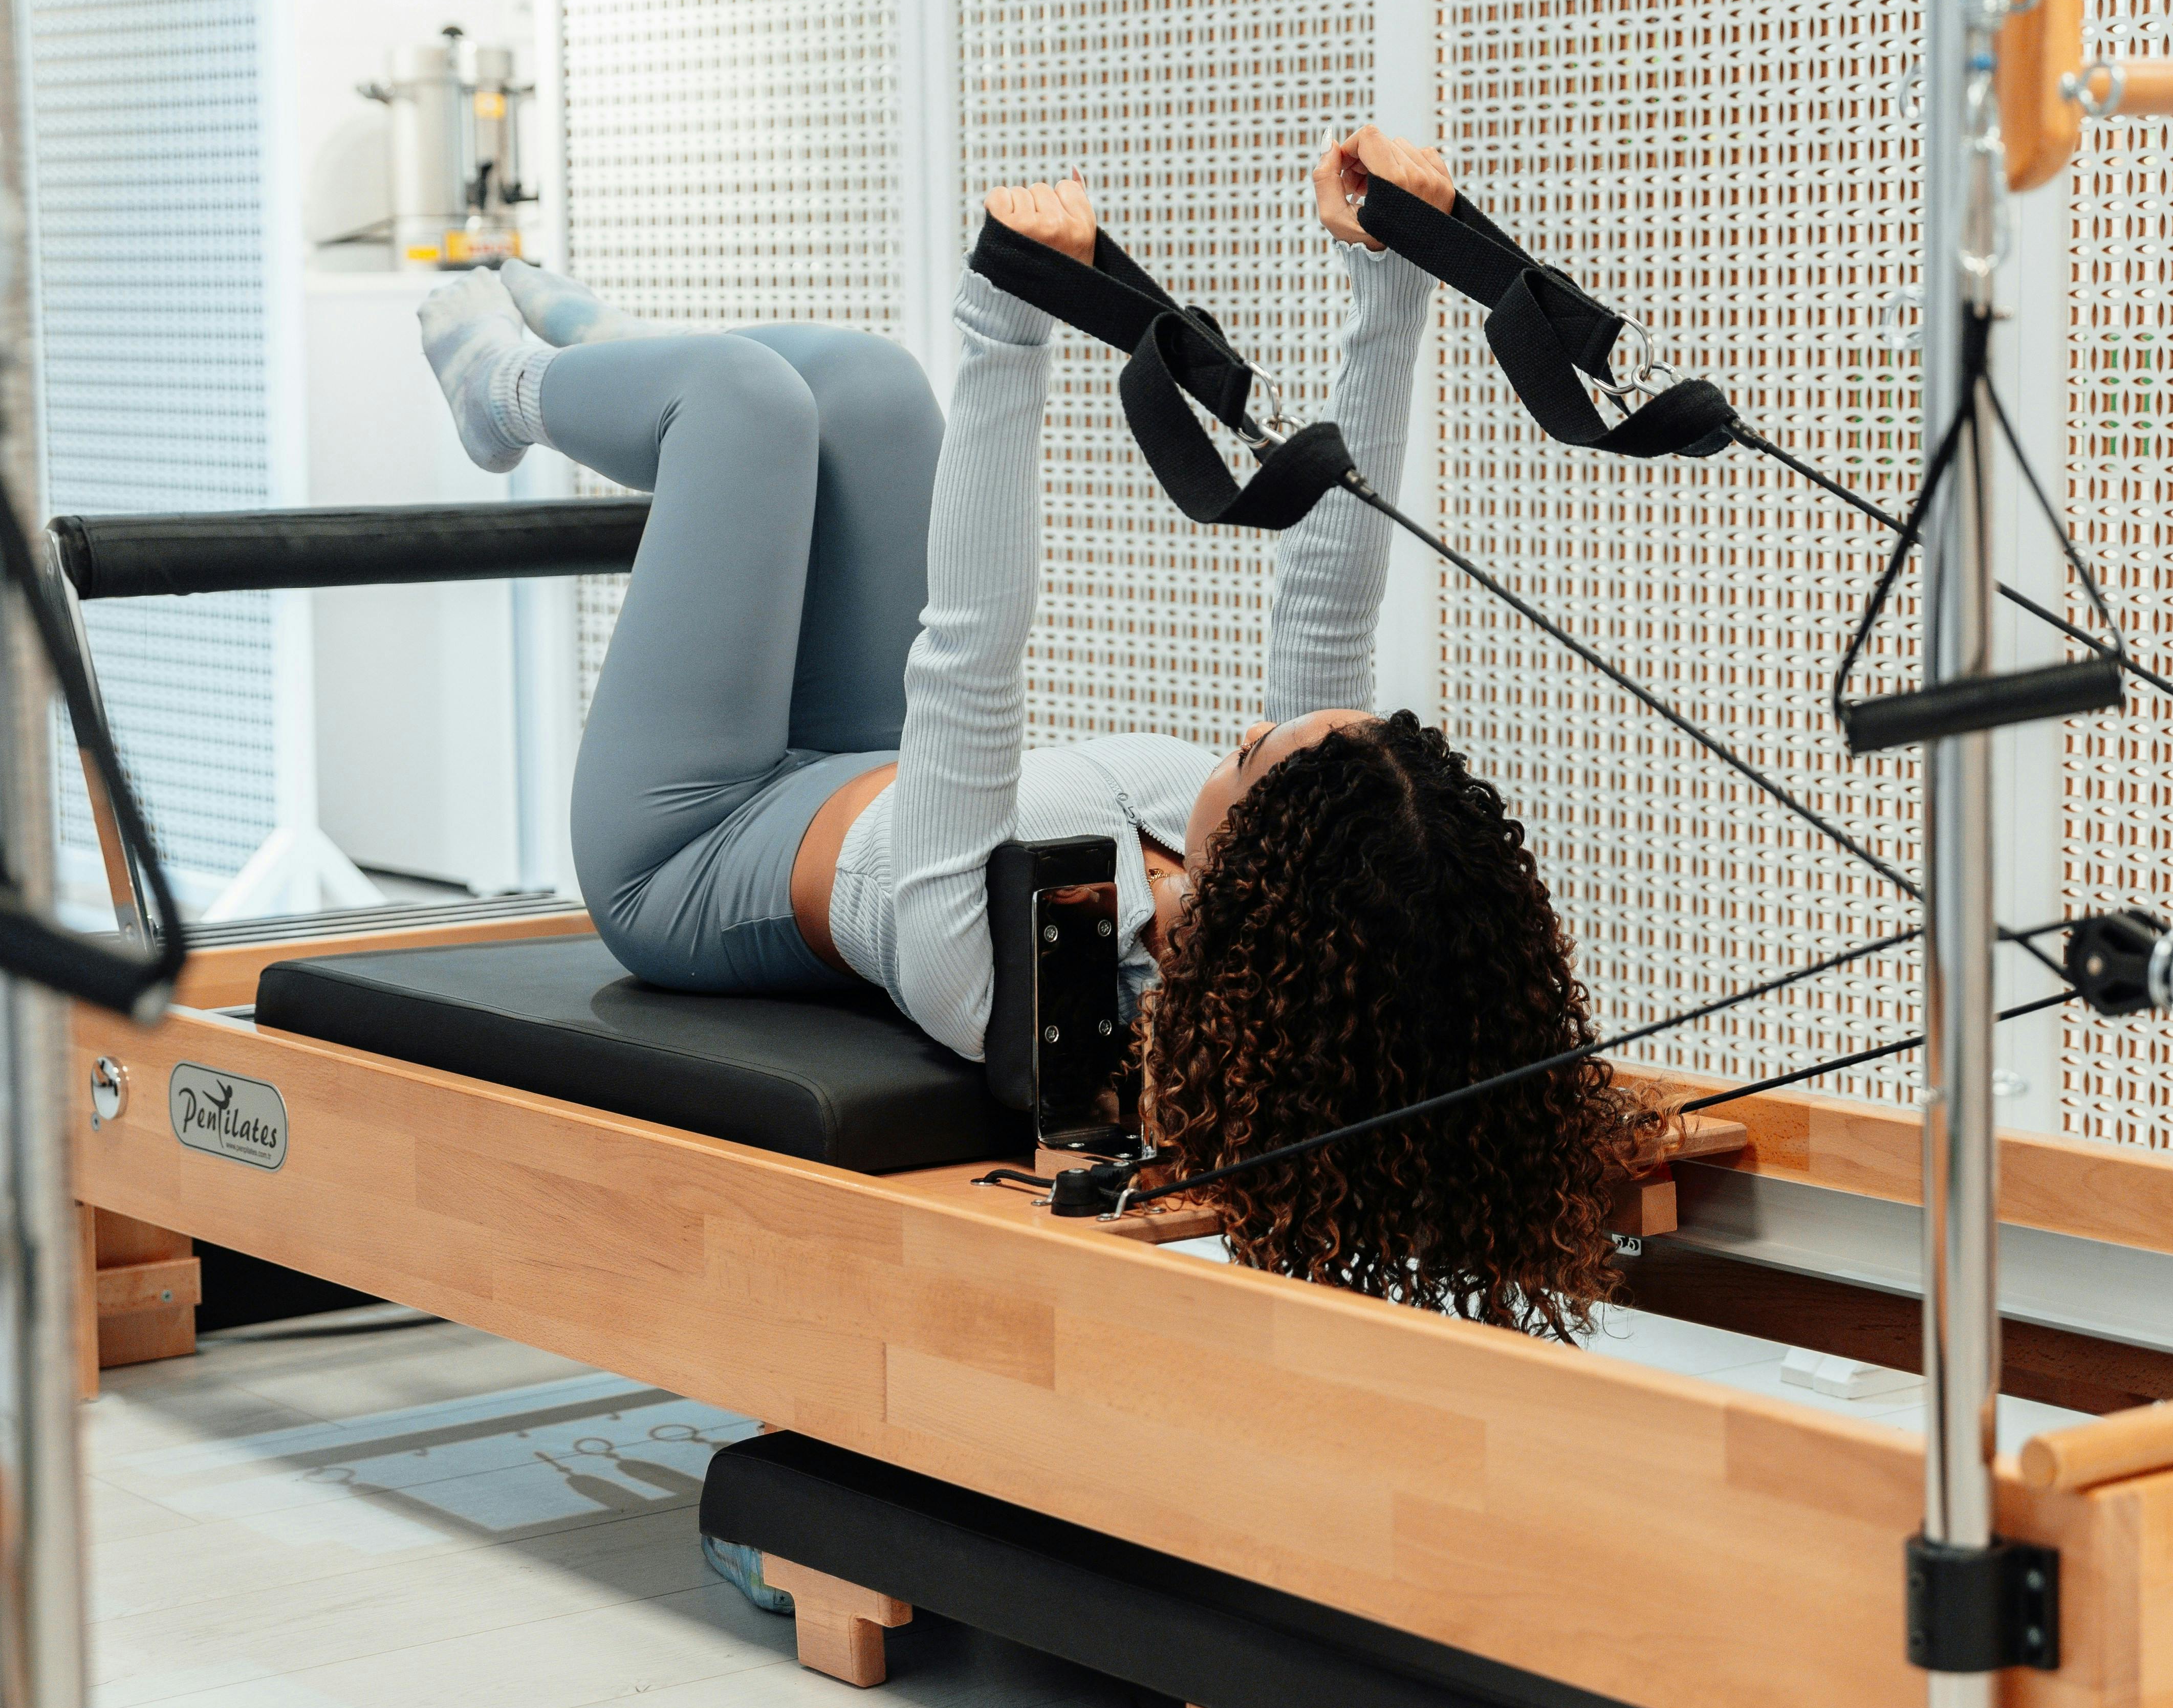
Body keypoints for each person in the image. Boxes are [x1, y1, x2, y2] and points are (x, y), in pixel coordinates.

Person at [418, 132, 1651, 1342]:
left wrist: (1008, 325)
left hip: (686, 841)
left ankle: (506, 391)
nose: (1248, 725)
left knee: (741, 407)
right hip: (859, 757)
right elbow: (1332, 599)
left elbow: (969, 651)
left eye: (1250, 753)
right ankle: (613, 356)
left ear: (1259, 876)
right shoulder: (1266, 845)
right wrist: (1390, 282)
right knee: (869, 388)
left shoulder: (1017, 971)